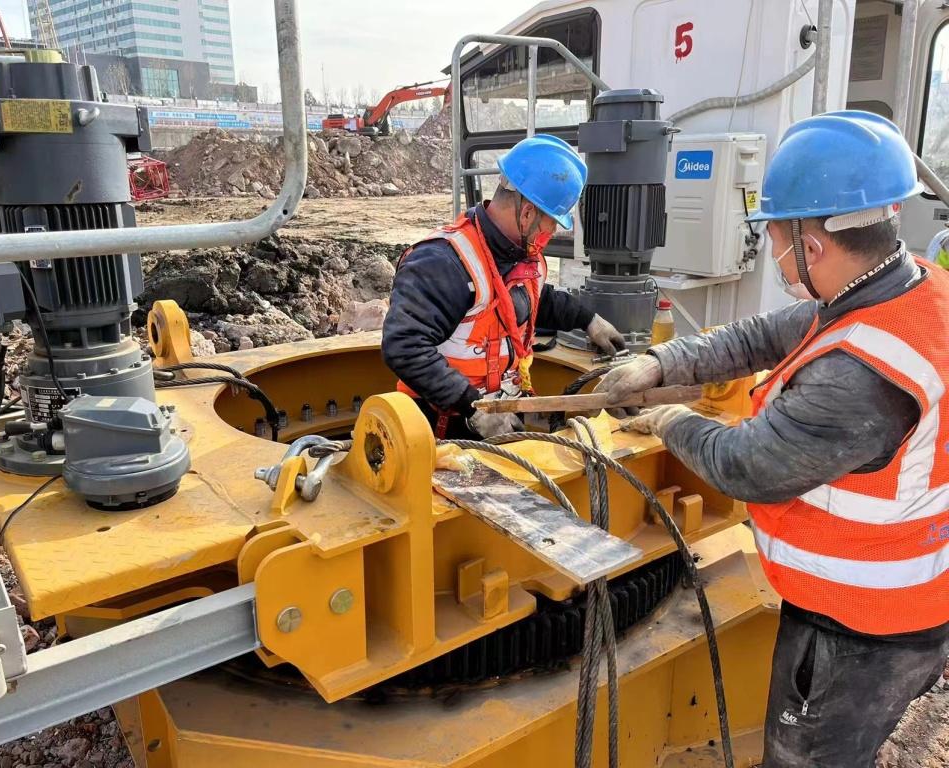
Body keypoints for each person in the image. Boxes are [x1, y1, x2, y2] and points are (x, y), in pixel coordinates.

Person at [596, 111, 949, 767]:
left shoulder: (860, 379)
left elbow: (745, 464)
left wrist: (671, 421)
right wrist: (664, 365)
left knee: (807, 758)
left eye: (778, 236)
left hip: (861, 629)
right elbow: (764, 336)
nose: (775, 251)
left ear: (810, 245)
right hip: (910, 599)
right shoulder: (908, 291)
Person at [382, 134, 625, 438]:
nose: (547, 237)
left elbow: (533, 298)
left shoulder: (516, 254)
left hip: (501, 412)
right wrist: (473, 407)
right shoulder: (442, 262)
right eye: (550, 226)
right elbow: (404, 346)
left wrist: (587, 320)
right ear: (527, 213)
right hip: (441, 427)